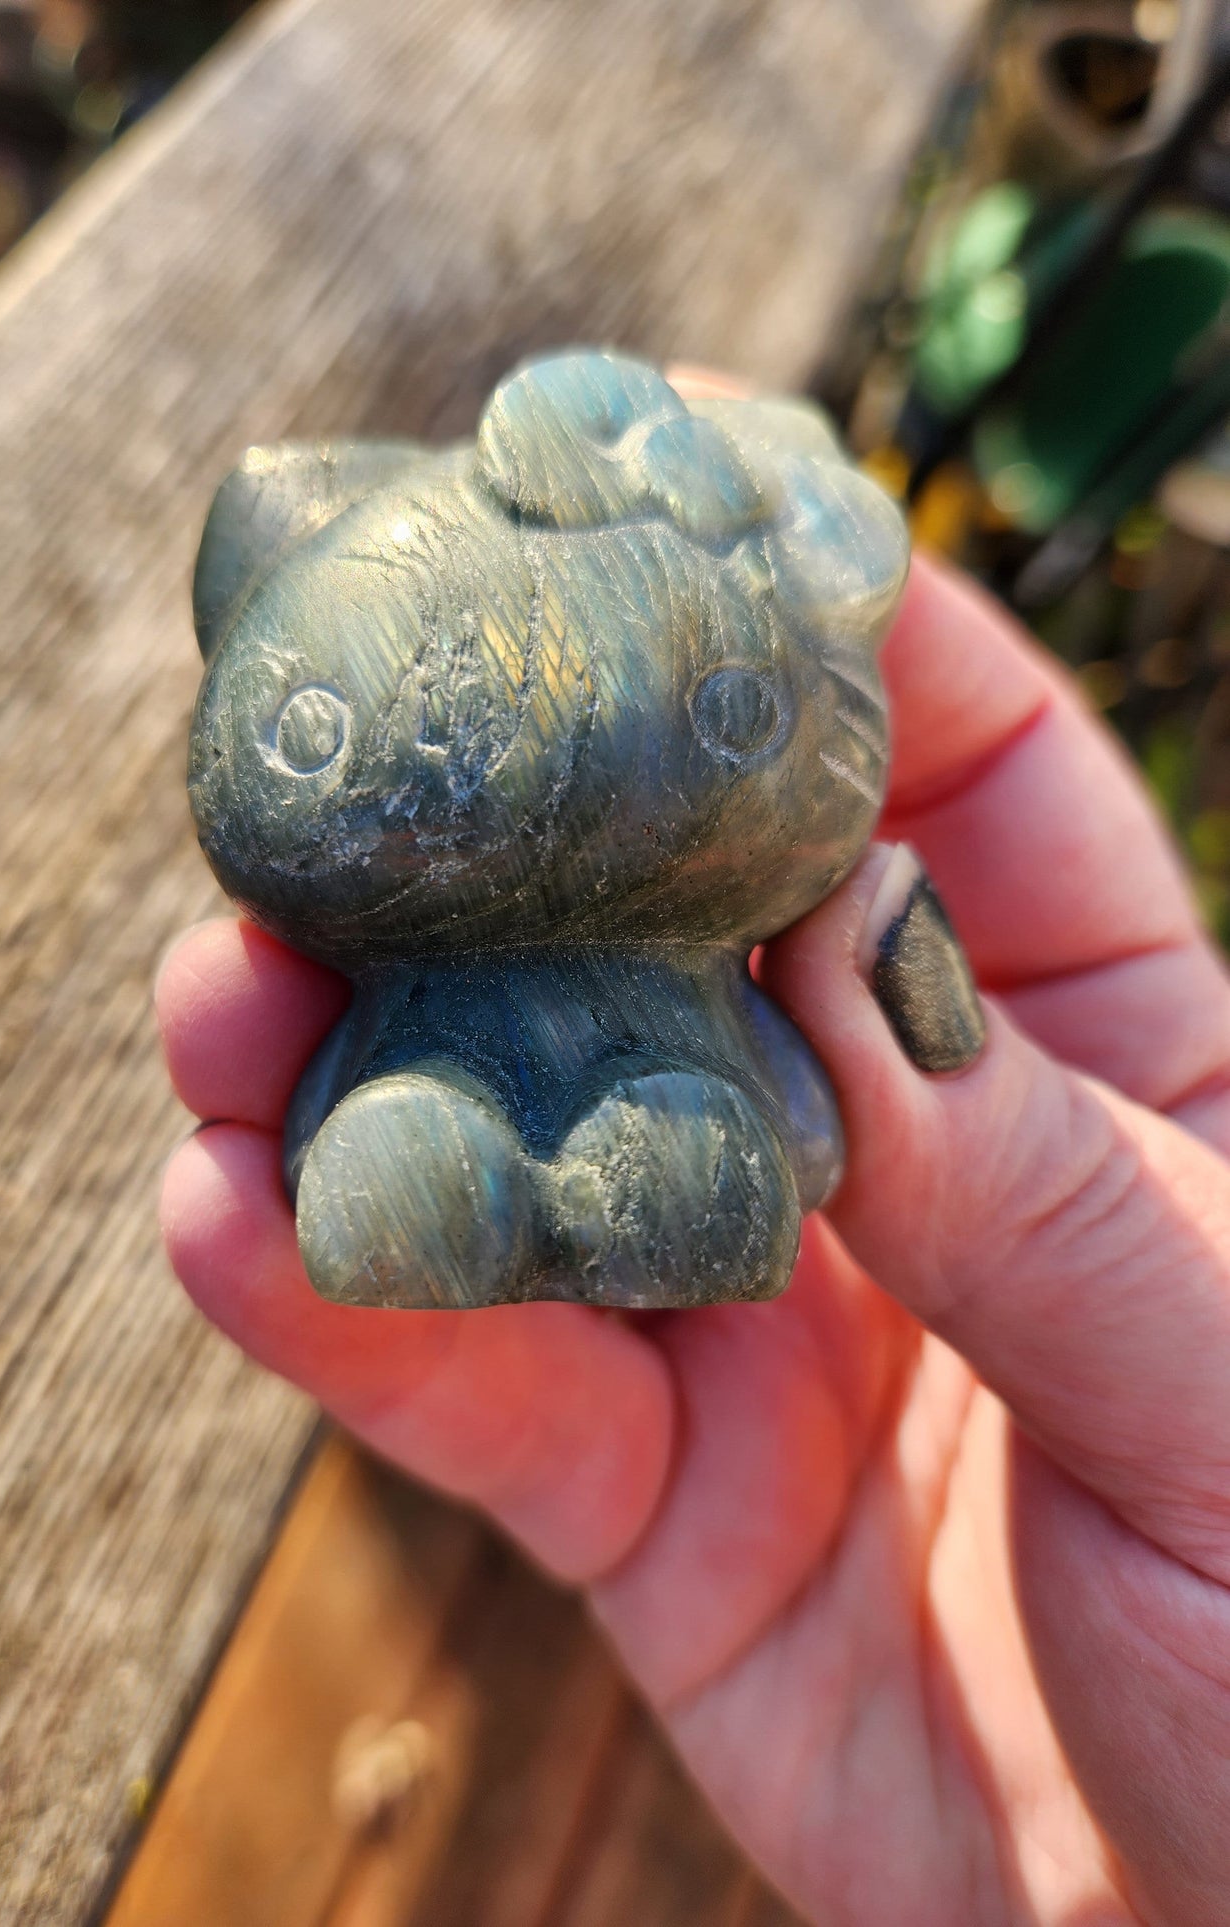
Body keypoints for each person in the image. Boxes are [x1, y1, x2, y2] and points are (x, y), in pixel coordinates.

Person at [154, 370, 1230, 1926]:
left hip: (684, 1067)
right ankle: (434, 1159)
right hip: (457, 1046)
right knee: (425, 1146)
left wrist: (850, 1120)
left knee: (694, 1152)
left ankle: (575, 1166)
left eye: (722, 714)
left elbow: (816, 1110)